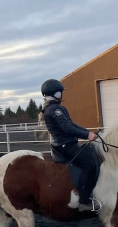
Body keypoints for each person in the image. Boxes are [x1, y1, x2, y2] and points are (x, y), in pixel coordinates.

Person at [41, 79, 101, 212]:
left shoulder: (57, 108)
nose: (62, 94)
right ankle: (84, 202)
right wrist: (86, 135)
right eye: (60, 92)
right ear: (55, 93)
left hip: (66, 142)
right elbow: (67, 128)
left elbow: (72, 125)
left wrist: (88, 133)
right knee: (89, 165)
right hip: (64, 145)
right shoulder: (54, 110)